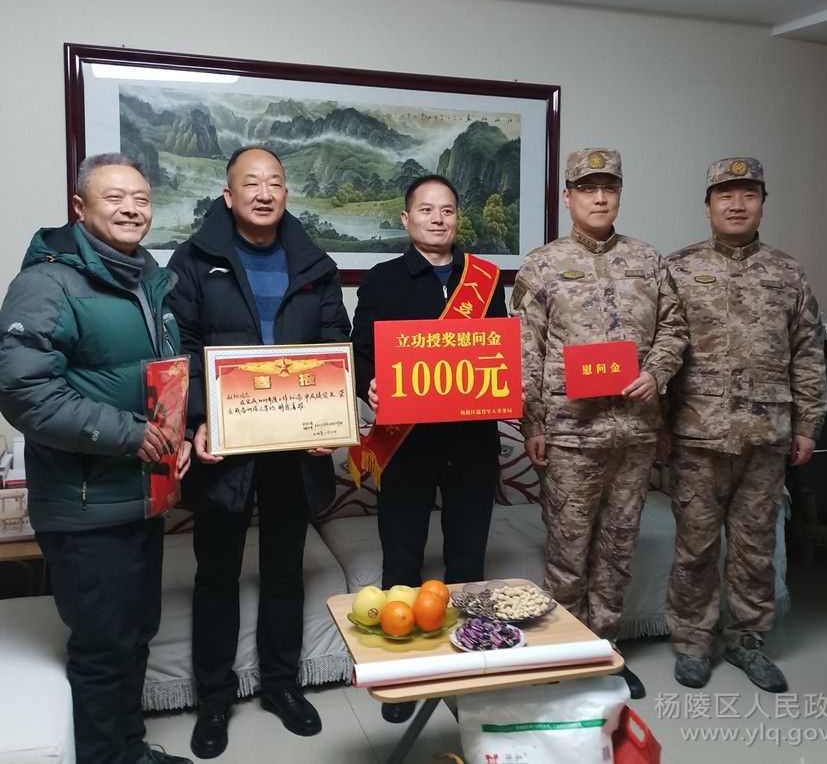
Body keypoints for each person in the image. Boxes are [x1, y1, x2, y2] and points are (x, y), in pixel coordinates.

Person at [0, 153, 192, 764]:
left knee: (135, 636)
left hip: (141, 497)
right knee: (104, 649)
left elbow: (161, 382)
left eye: (141, 198)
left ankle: (130, 750)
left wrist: (182, 435)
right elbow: (24, 392)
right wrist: (131, 436)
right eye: (114, 198)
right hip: (85, 505)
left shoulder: (147, 280)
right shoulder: (47, 284)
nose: (131, 209)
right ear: (79, 208)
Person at [167, 146, 350, 759]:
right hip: (226, 446)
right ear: (229, 195)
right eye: (251, 183)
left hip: (295, 446)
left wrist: (332, 415)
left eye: (275, 182)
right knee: (216, 575)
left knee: (284, 571)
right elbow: (180, 346)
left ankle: (281, 686)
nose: (264, 192)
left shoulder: (315, 263)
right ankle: (214, 698)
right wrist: (199, 421)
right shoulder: (195, 260)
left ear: (286, 193)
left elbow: (335, 340)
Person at [511, 147, 688, 700]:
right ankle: (564, 659)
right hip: (570, 434)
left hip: (634, 432)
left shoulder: (649, 260)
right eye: (587, 188)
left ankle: (606, 652)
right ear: (568, 197)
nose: (599, 197)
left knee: (617, 551)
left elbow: (675, 330)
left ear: (619, 194)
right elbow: (527, 351)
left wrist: (657, 372)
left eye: (608, 187)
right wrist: (532, 424)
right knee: (567, 555)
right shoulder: (542, 264)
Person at [663, 157, 827, 693]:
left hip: (767, 434)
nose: (737, 205)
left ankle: (747, 642)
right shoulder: (678, 268)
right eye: (725, 195)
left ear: (762, 203)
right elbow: (661, 352)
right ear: (708, 205)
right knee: (695, 547)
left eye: (749, 195)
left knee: (757, 548)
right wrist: (660, 427)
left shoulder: (788, 272)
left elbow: (808, 354)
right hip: (697, 433)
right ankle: (692, 642)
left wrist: (808, 424)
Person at [351, 174, 507, 722]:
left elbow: (497, 348)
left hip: (472, 442)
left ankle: (467, 672)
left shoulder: (485, 279)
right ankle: (404, 678)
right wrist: (369, 385)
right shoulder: (382, 279)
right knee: (402, 558)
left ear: (457, 218)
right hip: (407, 445)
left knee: (467, 559)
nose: (438, 219)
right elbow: (360, 353)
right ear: (406, 218)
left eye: (447, 210)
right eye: (426, 210)